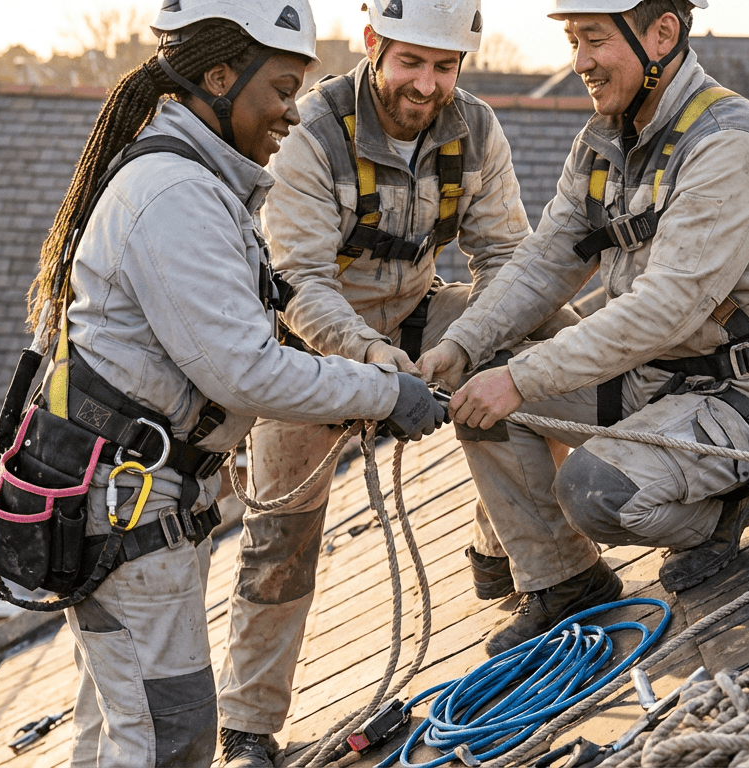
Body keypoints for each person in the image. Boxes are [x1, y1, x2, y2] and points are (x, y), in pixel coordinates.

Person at [22, 2, 445, 765]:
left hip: (131, 505)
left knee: (117, 732)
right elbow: (244, 370)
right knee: (171, 737)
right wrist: (385, 393)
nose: (292, 112)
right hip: (129, 513)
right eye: (281, 89)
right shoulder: (175, 196)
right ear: (220, 78)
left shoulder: (196, 183)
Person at [214, 1, 581, 763]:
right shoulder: (312, 133)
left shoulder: (474, 128)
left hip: (420, 320)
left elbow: (506, 262)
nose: (427, 84)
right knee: (282, 538)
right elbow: (299, 280)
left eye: (445, 67)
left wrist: (469, 344)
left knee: (543, 338)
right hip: (312, 349)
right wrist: (371, 363)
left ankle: (532, 560)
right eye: (411, 61)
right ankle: (246, 724)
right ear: (373, 44)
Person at [418, 0, 749, 657]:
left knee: (595, 490)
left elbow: (664, 308)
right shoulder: (607, 140)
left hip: (741, 396)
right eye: (573, 40)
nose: (580, 61)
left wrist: (519, 379)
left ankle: (718, 513)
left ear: (661, 34)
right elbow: (545, 261)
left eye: (595, 39)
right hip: (650, 378)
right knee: (479, 383)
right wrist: (461, 345)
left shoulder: (726, 145)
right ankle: (564, 580)